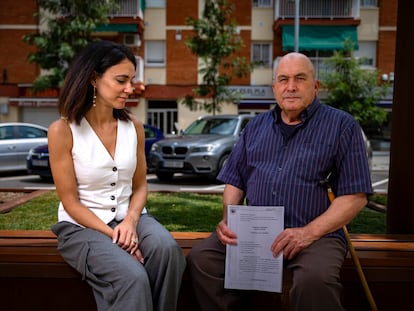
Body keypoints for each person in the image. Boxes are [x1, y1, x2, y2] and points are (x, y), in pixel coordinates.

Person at [187, 52, 373, 311]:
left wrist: (307, 233)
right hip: (255, 233)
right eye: (283, 79)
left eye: (300, 78)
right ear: (274, 87)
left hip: (316, 235)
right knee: (202, 259)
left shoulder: (342, 126)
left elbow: (355, 196)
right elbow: (235, 181)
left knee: (314, 280)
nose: (291, 86)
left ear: (315, 86)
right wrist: (230, 218)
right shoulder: (255, 127)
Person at [49, 40, 186, 311]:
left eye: (131, 80)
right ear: (93, 79)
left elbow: (140, 186)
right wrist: (116, 236)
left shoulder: (133, 126)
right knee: (131, 277)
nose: (130, 88)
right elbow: (70, 202)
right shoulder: (62, 130)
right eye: (121, 80)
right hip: (81, 226)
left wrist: (131, 222)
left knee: (168, 251)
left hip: (130, 218)